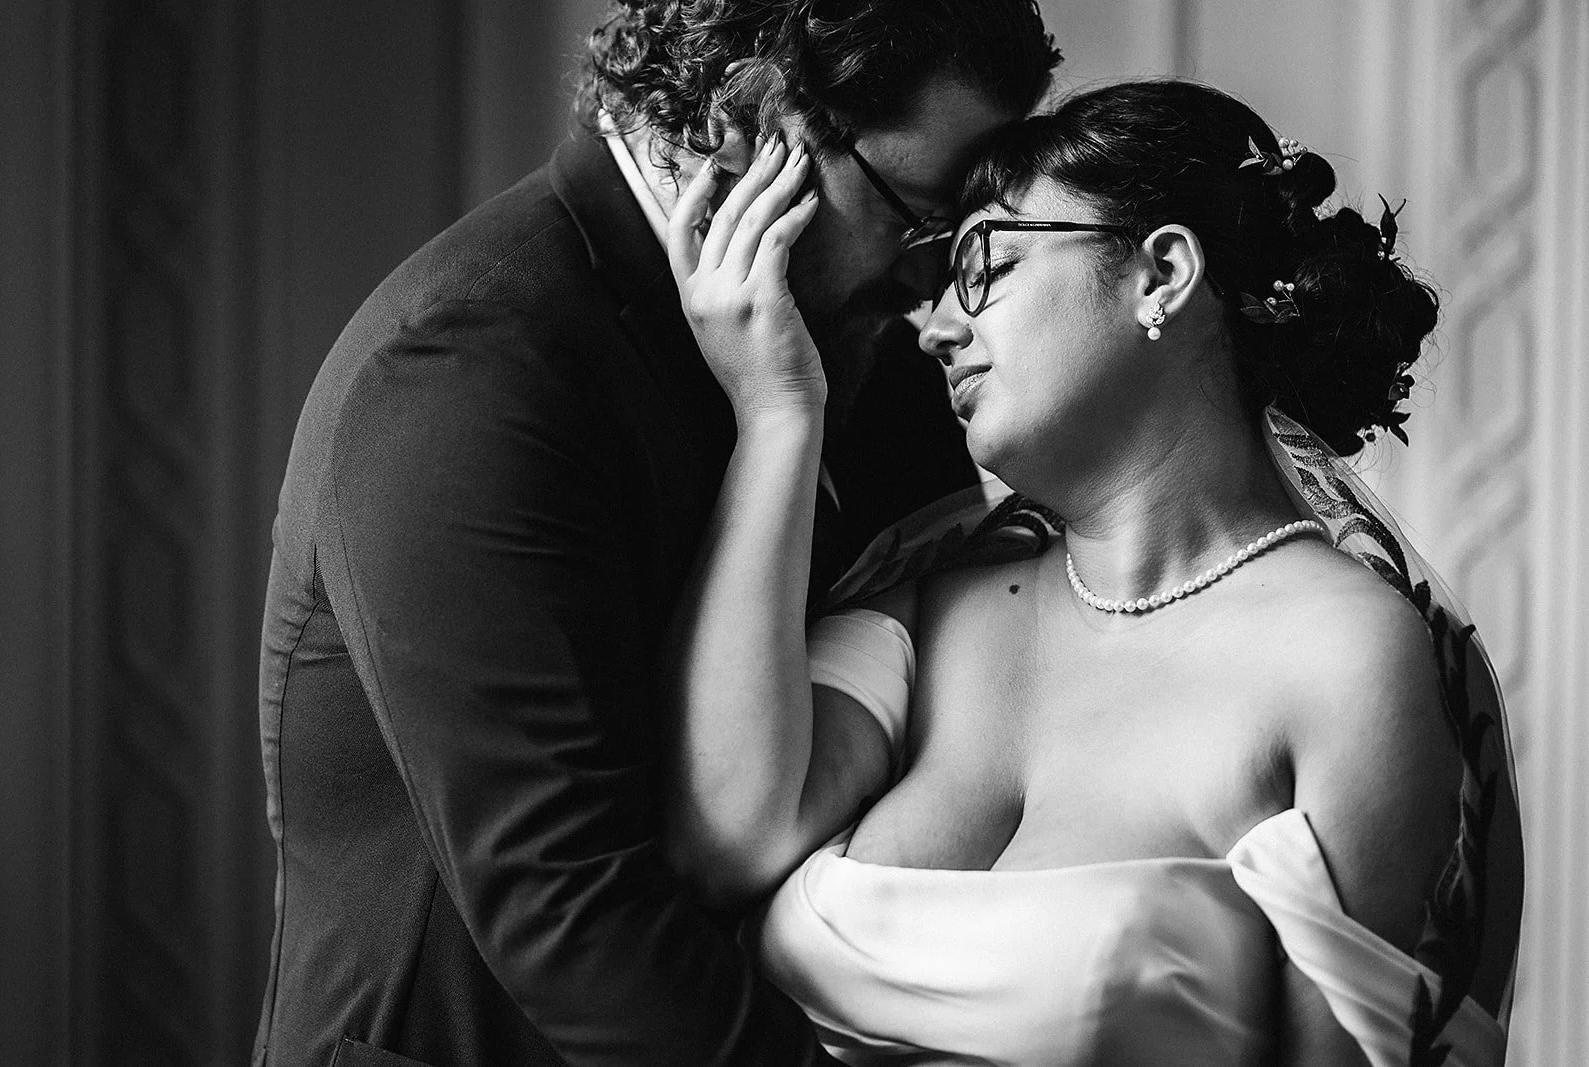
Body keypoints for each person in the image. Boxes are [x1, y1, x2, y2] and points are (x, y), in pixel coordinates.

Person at [252, 2, 1063, 1064]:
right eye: (913, 210)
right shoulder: (471, 368)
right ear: (753, 121)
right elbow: (570, 910)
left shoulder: (857, 336)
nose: (931, 276)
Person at [661, 80, 1524, 1065]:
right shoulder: (921, 608)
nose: (936, 323)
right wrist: (777, 408)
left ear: (1159, 272)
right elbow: (726, 838)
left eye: (985, 260)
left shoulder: (1346, 657)